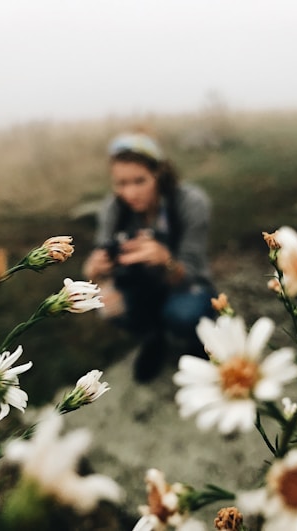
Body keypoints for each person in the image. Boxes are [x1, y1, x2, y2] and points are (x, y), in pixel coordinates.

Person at [83, 131, 218, 382]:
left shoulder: (190, 203)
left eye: (139, 181)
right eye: (121, 184)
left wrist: (165, 260)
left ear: (159, 174)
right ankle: (153, 338)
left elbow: (192, 269)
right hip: (140, 285)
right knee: (104, 303)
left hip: (186, 284)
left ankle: (198, 342)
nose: (130, 193)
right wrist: (96, 273)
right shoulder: (113, 209)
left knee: (183, 314)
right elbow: (102, 254)